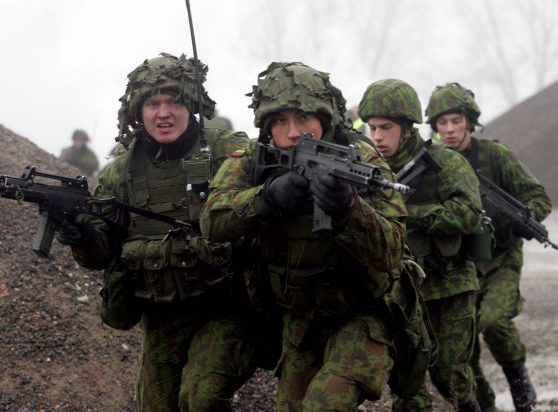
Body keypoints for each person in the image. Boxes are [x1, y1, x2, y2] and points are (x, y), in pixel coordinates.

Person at [201, 62, 420, 411]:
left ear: (324, 118)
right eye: (280, 121)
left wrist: (349, 210)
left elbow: (391, 250)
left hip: (360, 313)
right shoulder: (254, 160)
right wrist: (267, 197)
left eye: (304, 119)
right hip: (298, 319)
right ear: (266, 125)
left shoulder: (362, 160)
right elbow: (212, 221)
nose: (293, 133)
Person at [55, 52, 254, 411]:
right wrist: (82, 237)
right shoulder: (121, 172)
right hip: (162, 314)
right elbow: (100, 253)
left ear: (190, 103)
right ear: (138, 110)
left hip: (225, 306)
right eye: (152, 103)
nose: (164, 112)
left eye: (174, 101)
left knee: (201, 397)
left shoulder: (226, 150)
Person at [359, 78, 484, 412]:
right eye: (372, 128)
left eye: (386, 128)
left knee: (451, 378)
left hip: (450, 286)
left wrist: (412, 211)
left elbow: (470, 215)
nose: (378, 137)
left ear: (408, 128)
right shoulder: (372, 169)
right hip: (404, 291)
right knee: (406, 384)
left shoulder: (446, 162)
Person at [426, 83, 552, 412]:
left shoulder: (493, 155)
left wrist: (517, 220)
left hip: (501, 261)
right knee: (463, 354)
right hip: (461, 268)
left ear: (469, 121)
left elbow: (538, 198)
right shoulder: (433, 162)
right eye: (442, 123)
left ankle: (519, 381)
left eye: (456, 120)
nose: (450, 130)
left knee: (494, 323)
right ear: (434, 126)